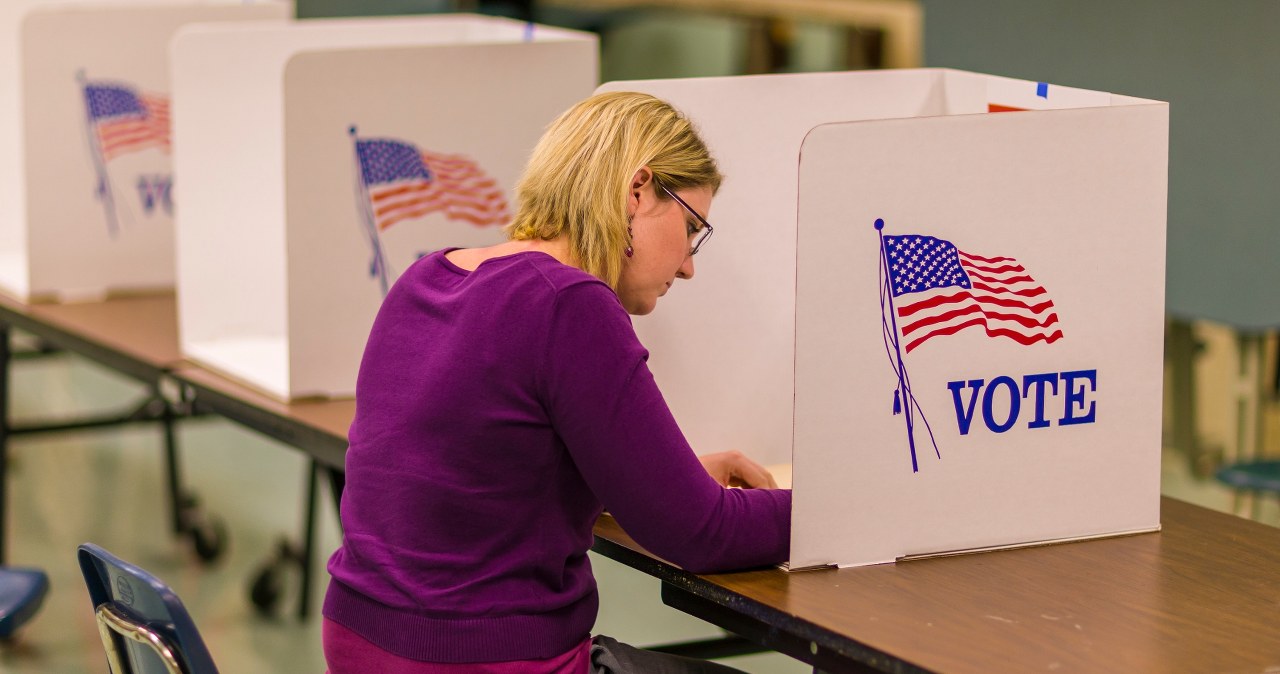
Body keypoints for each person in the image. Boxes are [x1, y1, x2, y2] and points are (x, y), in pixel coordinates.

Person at [323, 91, 791, 673]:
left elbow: (490, 475)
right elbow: (700, 532)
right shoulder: (569, 303)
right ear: (638, 191)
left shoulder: (424, 280)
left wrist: (676, 476)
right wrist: (839, 512)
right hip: (482, 662)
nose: (690, 264)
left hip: (360, 647)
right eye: (692, 227)